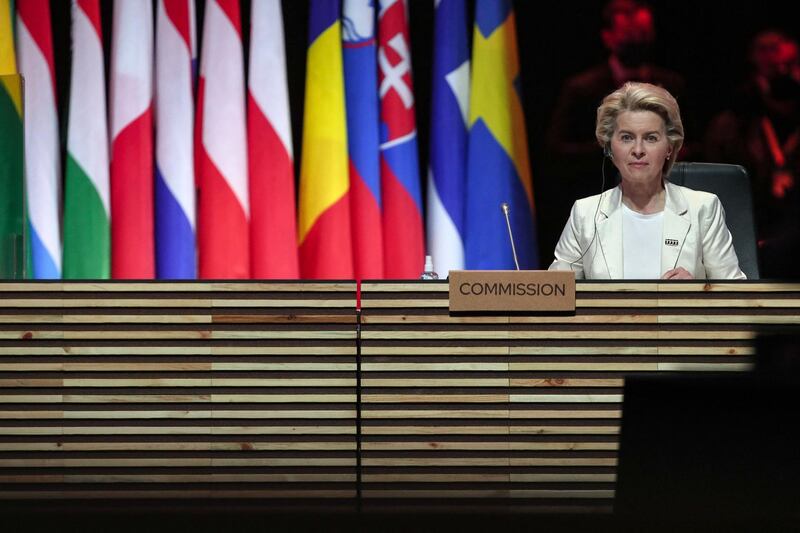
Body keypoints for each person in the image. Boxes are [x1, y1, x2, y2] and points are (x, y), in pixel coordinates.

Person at [549, 82, 746, 280]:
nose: (638, 150)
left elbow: (738, 299)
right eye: (626, 137)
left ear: (669, 147)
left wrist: (696, 293)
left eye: (651, 138)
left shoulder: (703, 209)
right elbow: (555, 295)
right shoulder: (585, 214)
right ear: (609, 147)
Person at [705, 30, 800, 277]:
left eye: (791, 66)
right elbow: (720, 197)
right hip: (750, 245)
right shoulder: (731, 125)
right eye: (776, 67)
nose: (787, 75)